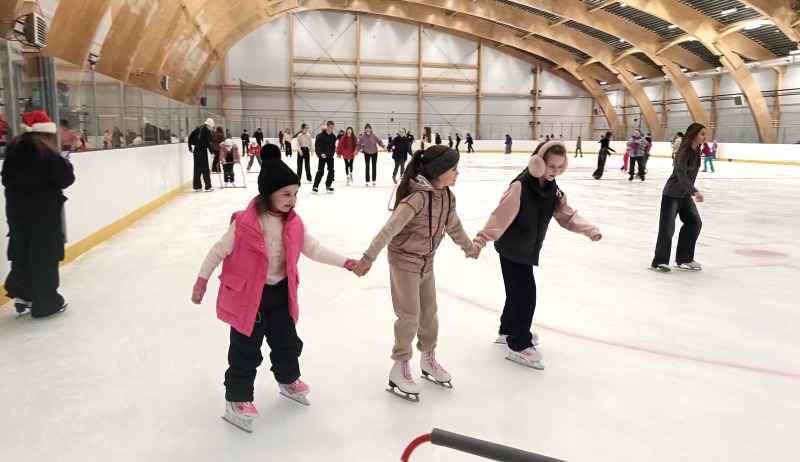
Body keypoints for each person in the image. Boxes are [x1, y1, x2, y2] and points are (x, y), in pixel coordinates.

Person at [191, 144, 358, 432]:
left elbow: (314, 249)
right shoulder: (244, 223)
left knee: (287, 342)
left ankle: (288, 379)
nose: (292, 200)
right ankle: (237, 399)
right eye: (286, 194)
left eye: (295, 194)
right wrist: (201, 281)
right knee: (245, 351)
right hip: (248, 298)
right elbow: (218, 251)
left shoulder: (294, 224)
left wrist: (346, 262)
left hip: (280, 293)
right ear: (268, 193)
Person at [352, 145, 477, 401]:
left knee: (429, 313)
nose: (457, 173)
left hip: (426, 261)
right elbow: (389, 229)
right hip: (404, 261)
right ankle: (399, 366)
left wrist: (468, 246)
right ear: (439, 172)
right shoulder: (416, 198)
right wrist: (368, 257)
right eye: (453, 168)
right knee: (409, 316)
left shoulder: (447, 197)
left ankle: (428, 358)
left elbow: (453, 225)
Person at [471, 141, 601, 370]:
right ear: (537, 162)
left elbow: (567, 216)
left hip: (526, 249)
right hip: (512, 248)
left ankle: (508, 330)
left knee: (516, 293)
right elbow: (500, 217)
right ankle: (519, 343)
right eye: (551, 166)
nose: (555, 171)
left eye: (560, 167)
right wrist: (481, 240)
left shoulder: (553, 189)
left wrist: (589, 229)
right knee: (525, 295)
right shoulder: (520, 186)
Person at [2, 110, 75, 318]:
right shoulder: (46, 151)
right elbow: (65, 179)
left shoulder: (14, 148)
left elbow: (6, 178)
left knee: (22, 249)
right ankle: (46, 301)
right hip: (42, 211)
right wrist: (66, 163)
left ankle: (23, 295)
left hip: (17, 210)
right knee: (44, 254)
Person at [650, 123, 706, 273]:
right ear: (693, 134)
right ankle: (659, 261)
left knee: (695, 223)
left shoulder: (697, 151)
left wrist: (690, 192)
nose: (704, 137)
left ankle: (685, 258)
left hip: (685, 195)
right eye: (702, 134)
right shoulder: (684, 151)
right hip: (672, 194)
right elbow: (681, 175)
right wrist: (694, 191)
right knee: (667, 229)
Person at [188, 119, 215, 191]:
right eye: (212, 127)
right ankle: (208, 186)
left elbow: (190, 137)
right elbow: (208, 143)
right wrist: (212, 152)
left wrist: (190, 148)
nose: (212, 129)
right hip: (202, 150)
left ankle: (197, 186)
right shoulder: (207, 131)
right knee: (205, 169)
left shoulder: (198, 129)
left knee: (197, 168)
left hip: (196, 150)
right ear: (209, 125)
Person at [312, 121, 337, 194]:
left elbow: (333, 146)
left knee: (331, 171)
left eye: (333, 128)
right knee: (320, 171)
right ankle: (315, 186)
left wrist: (332, 153)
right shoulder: (320, 136)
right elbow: (317, 146)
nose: (332, 129)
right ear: (327, 126)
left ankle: (328, 185)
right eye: (331, 127)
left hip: (330, 157)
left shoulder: (333, 137)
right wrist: (321, 153)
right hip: (322, 157)